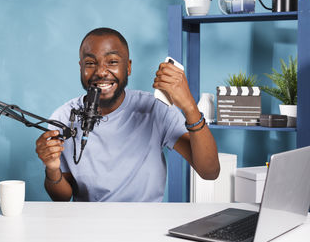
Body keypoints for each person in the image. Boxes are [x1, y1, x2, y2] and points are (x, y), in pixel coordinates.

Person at [35, 27, 219, 202]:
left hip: (145, 223)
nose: (100, 72)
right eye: (90, 63)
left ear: (128, 67)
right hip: (88, 224)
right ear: (80, 67)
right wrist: (52, 169)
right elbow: (62, 197)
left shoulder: (155, 109)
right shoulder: (63, 118)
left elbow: (209, 171)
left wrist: (189, 107)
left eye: (112, 62)